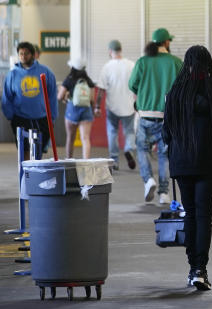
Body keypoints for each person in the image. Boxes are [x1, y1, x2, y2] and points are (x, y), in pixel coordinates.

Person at [163, 46, 212, 291]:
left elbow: (166, 133)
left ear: (186, 64)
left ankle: (191, 268)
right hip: (209, 161)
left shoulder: (175, 93)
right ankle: (200, 270)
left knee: (190, 212)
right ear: (208, 63)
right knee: (204, 214)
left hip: (182, 162)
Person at [129, 28, 183, 204]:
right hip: (167, 116)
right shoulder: (176, 62)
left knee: (142, 149)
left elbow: (132, 85)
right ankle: (164, 193)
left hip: (145, 114)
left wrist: (144, 94)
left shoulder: (143, 62)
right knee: (164, 154)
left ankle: (148, 180)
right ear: (167, 42)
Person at [2, 41, 57, 156]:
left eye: (26, 53)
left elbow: (52, 95)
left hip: (41, 118)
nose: (23, 56)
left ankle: (35, 173)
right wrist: (10, 115)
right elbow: (7, 97)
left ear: (33, 55)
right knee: (24, 149)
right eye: (20, 54)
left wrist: (52, 116)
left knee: (38, 151)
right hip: (20, 118)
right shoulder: (12, 74)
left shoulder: (46, 72)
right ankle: (25, 173)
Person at [96, 40, 136, 171]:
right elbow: (137, 86)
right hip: (129, 106)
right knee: (129, 131)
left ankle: (114, 160)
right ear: (121, 50)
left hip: (112, 106)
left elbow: (101, 89)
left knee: (112, 132)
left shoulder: (107, 67)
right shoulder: (131, 65)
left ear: (110, 51)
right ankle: (129, 149)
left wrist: (97, 106)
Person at [57, 57, 97, 159]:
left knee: (70, 138)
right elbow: (92, 99)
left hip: (72, 111)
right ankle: (86, 162)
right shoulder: (89, 81)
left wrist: (65, 97)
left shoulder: (69, 80)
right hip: (86, 111)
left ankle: (69, 160)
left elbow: (59, 96)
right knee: (85, 138)